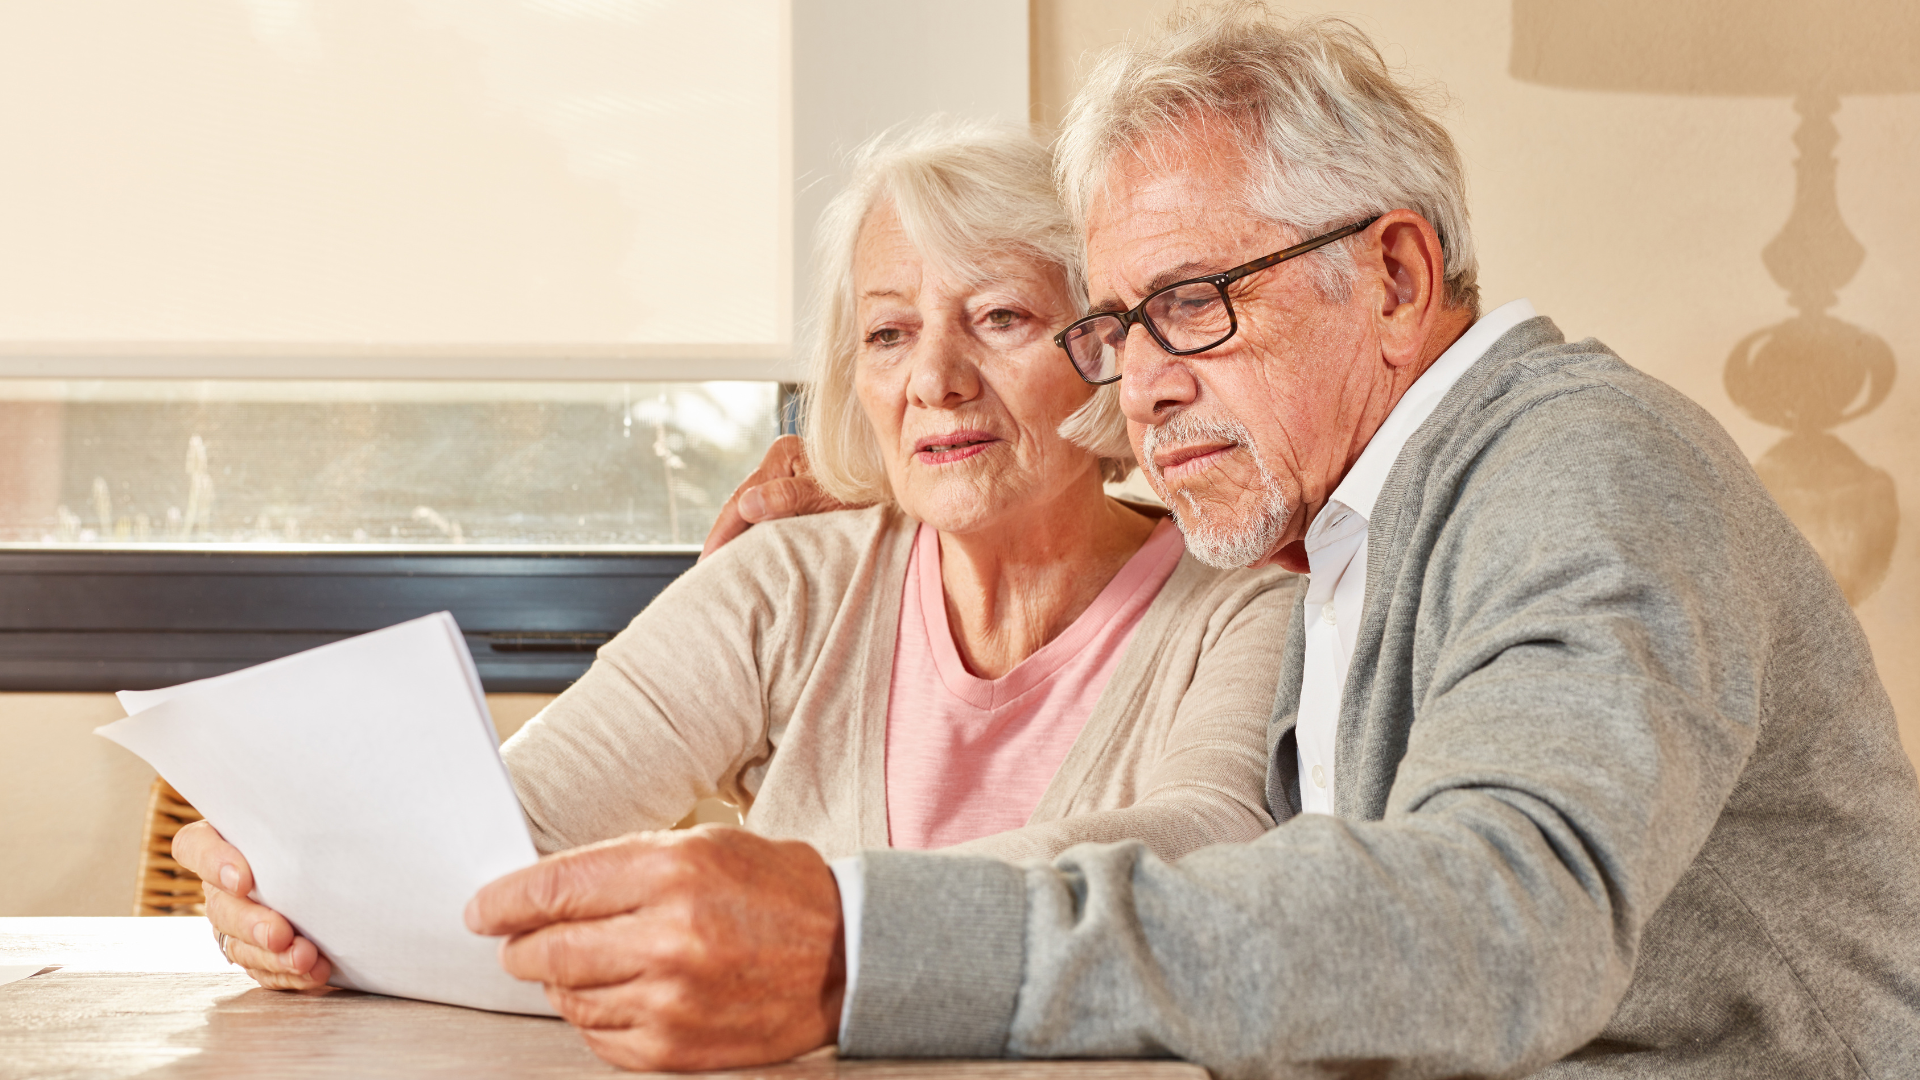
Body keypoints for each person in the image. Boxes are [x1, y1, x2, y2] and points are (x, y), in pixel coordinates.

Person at [454, 5, 1920, 1077]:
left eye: (1196, 304)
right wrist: (916, 497)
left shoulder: (1582, 472)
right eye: (1116, 323)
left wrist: (866, 939)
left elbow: (1500, 924)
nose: (1143, 379)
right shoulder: (1339, 535)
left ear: (1397, 274)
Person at [171, 120, 1297, 1040]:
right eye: (890, 334)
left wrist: (822, 922)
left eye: (1000, 318)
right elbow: (500, 839)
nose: (936, 381)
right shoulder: (789, 584)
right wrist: (289, 880)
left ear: (1105, 345)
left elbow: (1211, 846)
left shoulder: (1243, 601)